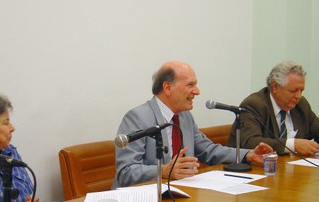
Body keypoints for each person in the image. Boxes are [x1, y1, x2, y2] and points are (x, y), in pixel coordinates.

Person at [112, 61, 273, 189]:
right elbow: (126, 172)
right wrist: (163, 171)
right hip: (139, 200)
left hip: (178, 194)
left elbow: (208, 150)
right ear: (167, 87)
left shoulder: (184, 116)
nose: (197, 91)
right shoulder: (138, 117)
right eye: (190, 85)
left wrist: (248, 155)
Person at [227, 61, 319, 156]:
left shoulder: (301, 105)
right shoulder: (253, 105)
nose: (298, 96)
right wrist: (292, 145)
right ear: (275, 87)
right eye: (294, 90)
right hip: (255, 170)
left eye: (301, 90)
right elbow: (251, 142)